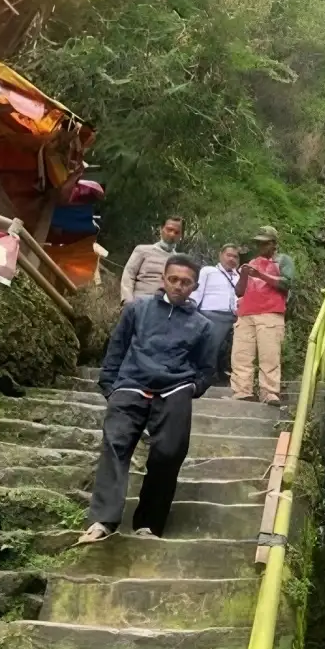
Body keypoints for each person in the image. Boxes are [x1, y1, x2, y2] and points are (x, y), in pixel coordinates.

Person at [78, 254, 218, 543]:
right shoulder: (137, 310)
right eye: (174, 279)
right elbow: (117, 346)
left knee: (169, 453)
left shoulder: (203, 326)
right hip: (132, 385)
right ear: (163, 279)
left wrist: (192, 389)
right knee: (115, 446)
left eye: (186, 282)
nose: (179, 286)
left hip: (175, 389)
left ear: (194, 287)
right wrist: (111, 385)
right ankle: (103, 521)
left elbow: (206, 369)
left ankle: (149, 525)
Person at [231, 225, 294, 407]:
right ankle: (242, 391)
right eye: (258, 243)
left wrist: (261, 275)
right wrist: (244, 275)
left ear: (274, 244)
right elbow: (239, 291)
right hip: (246, 314)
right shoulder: (251, 263)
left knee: (270, 355)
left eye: (264, 243)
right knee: (241, 355)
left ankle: (270, 393)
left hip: (270, 313)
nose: (261, 247)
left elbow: (286, 283)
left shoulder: (283, 260)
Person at [192, 244, 241, 384]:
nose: (232, 259)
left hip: (233, 316)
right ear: (221, 255)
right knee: (211, 346)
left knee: (229, 349)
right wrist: (192, 308)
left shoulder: (239, 276)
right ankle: (207, 375)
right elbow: (197, 290)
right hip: (211, 313)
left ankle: (223, 375)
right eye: (229, 255)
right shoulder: (208, 271)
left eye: (235, 257)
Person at [120, 216, 184, 303]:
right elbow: (128, 275)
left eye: (176, 232)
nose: (172, 234)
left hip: (165, 306)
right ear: (161, 229)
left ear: (180, 236)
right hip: (139, 303)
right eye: (169, 230)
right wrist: (127, 301)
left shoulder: (179, 260)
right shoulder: (143, 250)